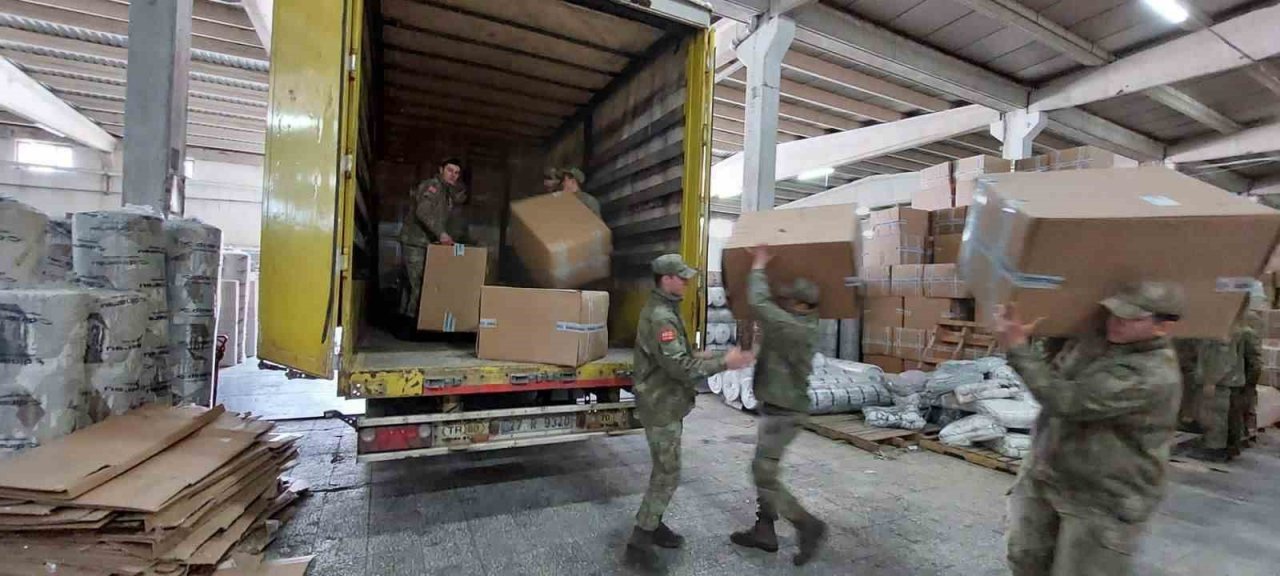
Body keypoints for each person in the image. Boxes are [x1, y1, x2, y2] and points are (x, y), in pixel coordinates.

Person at [995, 282, 1184, 576]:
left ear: (1163, 327)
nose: (1116, 323)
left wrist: (1018, 348)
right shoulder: (1099, 341)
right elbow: (1056, 371)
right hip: (1049, 476)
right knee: (1025, 561)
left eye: (1131, 318)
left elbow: (1067, 400)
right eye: (1114, 313)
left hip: (1103, 497)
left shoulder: (1152, 373)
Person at [627, 253, 754, 567]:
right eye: (681, 277)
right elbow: (681, 368)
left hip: (664, 400)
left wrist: (696, 352)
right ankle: (640, 539)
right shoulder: (661, 316)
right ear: (666, 279)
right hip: (660, 404)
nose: (686, 282)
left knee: (665, 471)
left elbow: (673, 356)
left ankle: (652, 523)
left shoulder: (666, 309)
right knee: (668, 473)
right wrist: (726, 362)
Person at [729, 245, 827, 566]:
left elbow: (759, 302)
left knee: (762, 472)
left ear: (801, 304)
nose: (783, 302)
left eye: (789, 299)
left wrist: (758, 265)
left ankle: (807, 525)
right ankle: (764, 530)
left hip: (785, 412)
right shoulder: (801, 323)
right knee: (765, 467)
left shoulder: (793, 327)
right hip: (778, 405)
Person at [1185, 313, 1261, 461]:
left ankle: (1215, 449)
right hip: (1229, 380)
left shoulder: (1222, 329)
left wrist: (1210, 380)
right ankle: (1229, 448)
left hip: (1221, 382)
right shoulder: (1231, 326)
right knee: (1227, 416)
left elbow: (1222, 357)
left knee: (1215, 415)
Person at [399, 158, 464, 319]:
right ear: (441, 170)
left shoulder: (447, 193)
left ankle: (405, 322)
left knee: (412, 285)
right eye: (450, 170)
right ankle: (412, 324)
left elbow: (443, 219)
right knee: (421, 285)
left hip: (424, 243)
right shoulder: (433, 186)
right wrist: (441, 233)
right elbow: (423, 212)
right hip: (415, 242)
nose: (453, 175)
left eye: (456, 173)